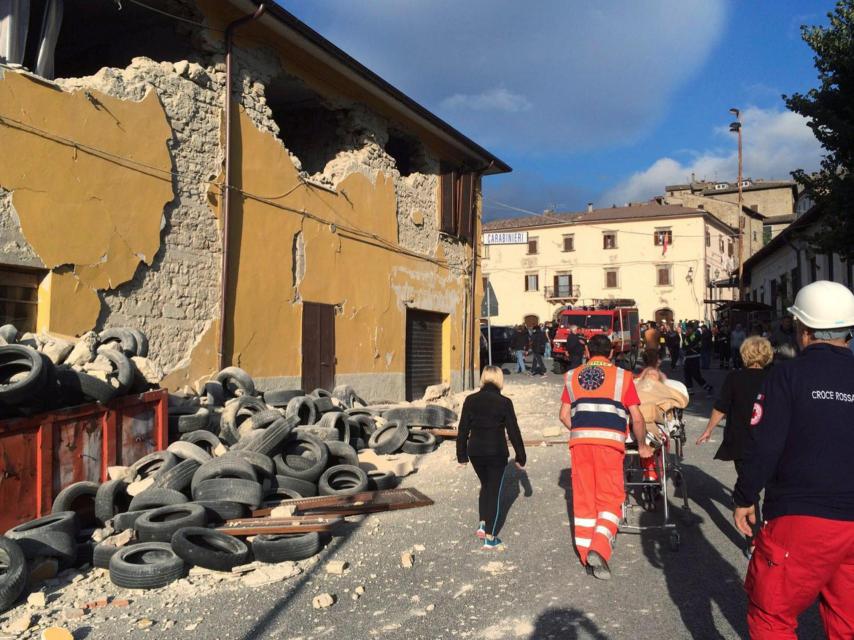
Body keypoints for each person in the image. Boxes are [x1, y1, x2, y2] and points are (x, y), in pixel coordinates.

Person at [732, 281, 854, 639]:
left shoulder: (786, 375)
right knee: (848, 621)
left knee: (772, 614)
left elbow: (764, 445)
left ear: (803, 330)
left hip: (801, 518)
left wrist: (744, 496)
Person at [559, 335, 652, 580]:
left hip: (580, 444)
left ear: (587, 351)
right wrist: (642, 445)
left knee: (584, 499)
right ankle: (599, 546)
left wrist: (581, 430)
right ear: (611, 353)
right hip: (609, 445)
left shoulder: (571, 376)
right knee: (611, 498)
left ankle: (584, 553)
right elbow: (637, 417)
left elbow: (563, 414)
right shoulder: (623, 377)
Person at [696, 336, 773, 551]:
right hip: (770, 442)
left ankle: (753, 543)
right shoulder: (775, 377)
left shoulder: (734, 378)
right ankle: (774, 535)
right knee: (773, 489)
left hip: (742, 442)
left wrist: (709, 430)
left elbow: (721, 407)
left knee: (749, 491)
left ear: (744, 354)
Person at [457, 365, 526, 550]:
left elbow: (463, 429)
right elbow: (513, 431)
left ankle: (482, 523)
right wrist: (521, 457)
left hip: (476, 453)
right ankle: (490, 537)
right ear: (499, 379)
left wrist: (461, 456)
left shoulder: (470, 400)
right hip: (496, 452)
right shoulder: (504, 402)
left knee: (485, 486)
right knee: (494, 492)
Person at [682, 322, 714, 395]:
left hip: (694, 358)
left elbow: (692, 344)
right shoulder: (687, 336)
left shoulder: (696, 335)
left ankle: (708, 388)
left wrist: (687, 346)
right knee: (687, 375)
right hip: (687, 358)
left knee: (696, 375)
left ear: (692, 329)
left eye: (689, 328)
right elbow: (684, 346)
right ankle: (690, 391)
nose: (687, 330)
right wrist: (687, 345)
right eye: (687, 328)